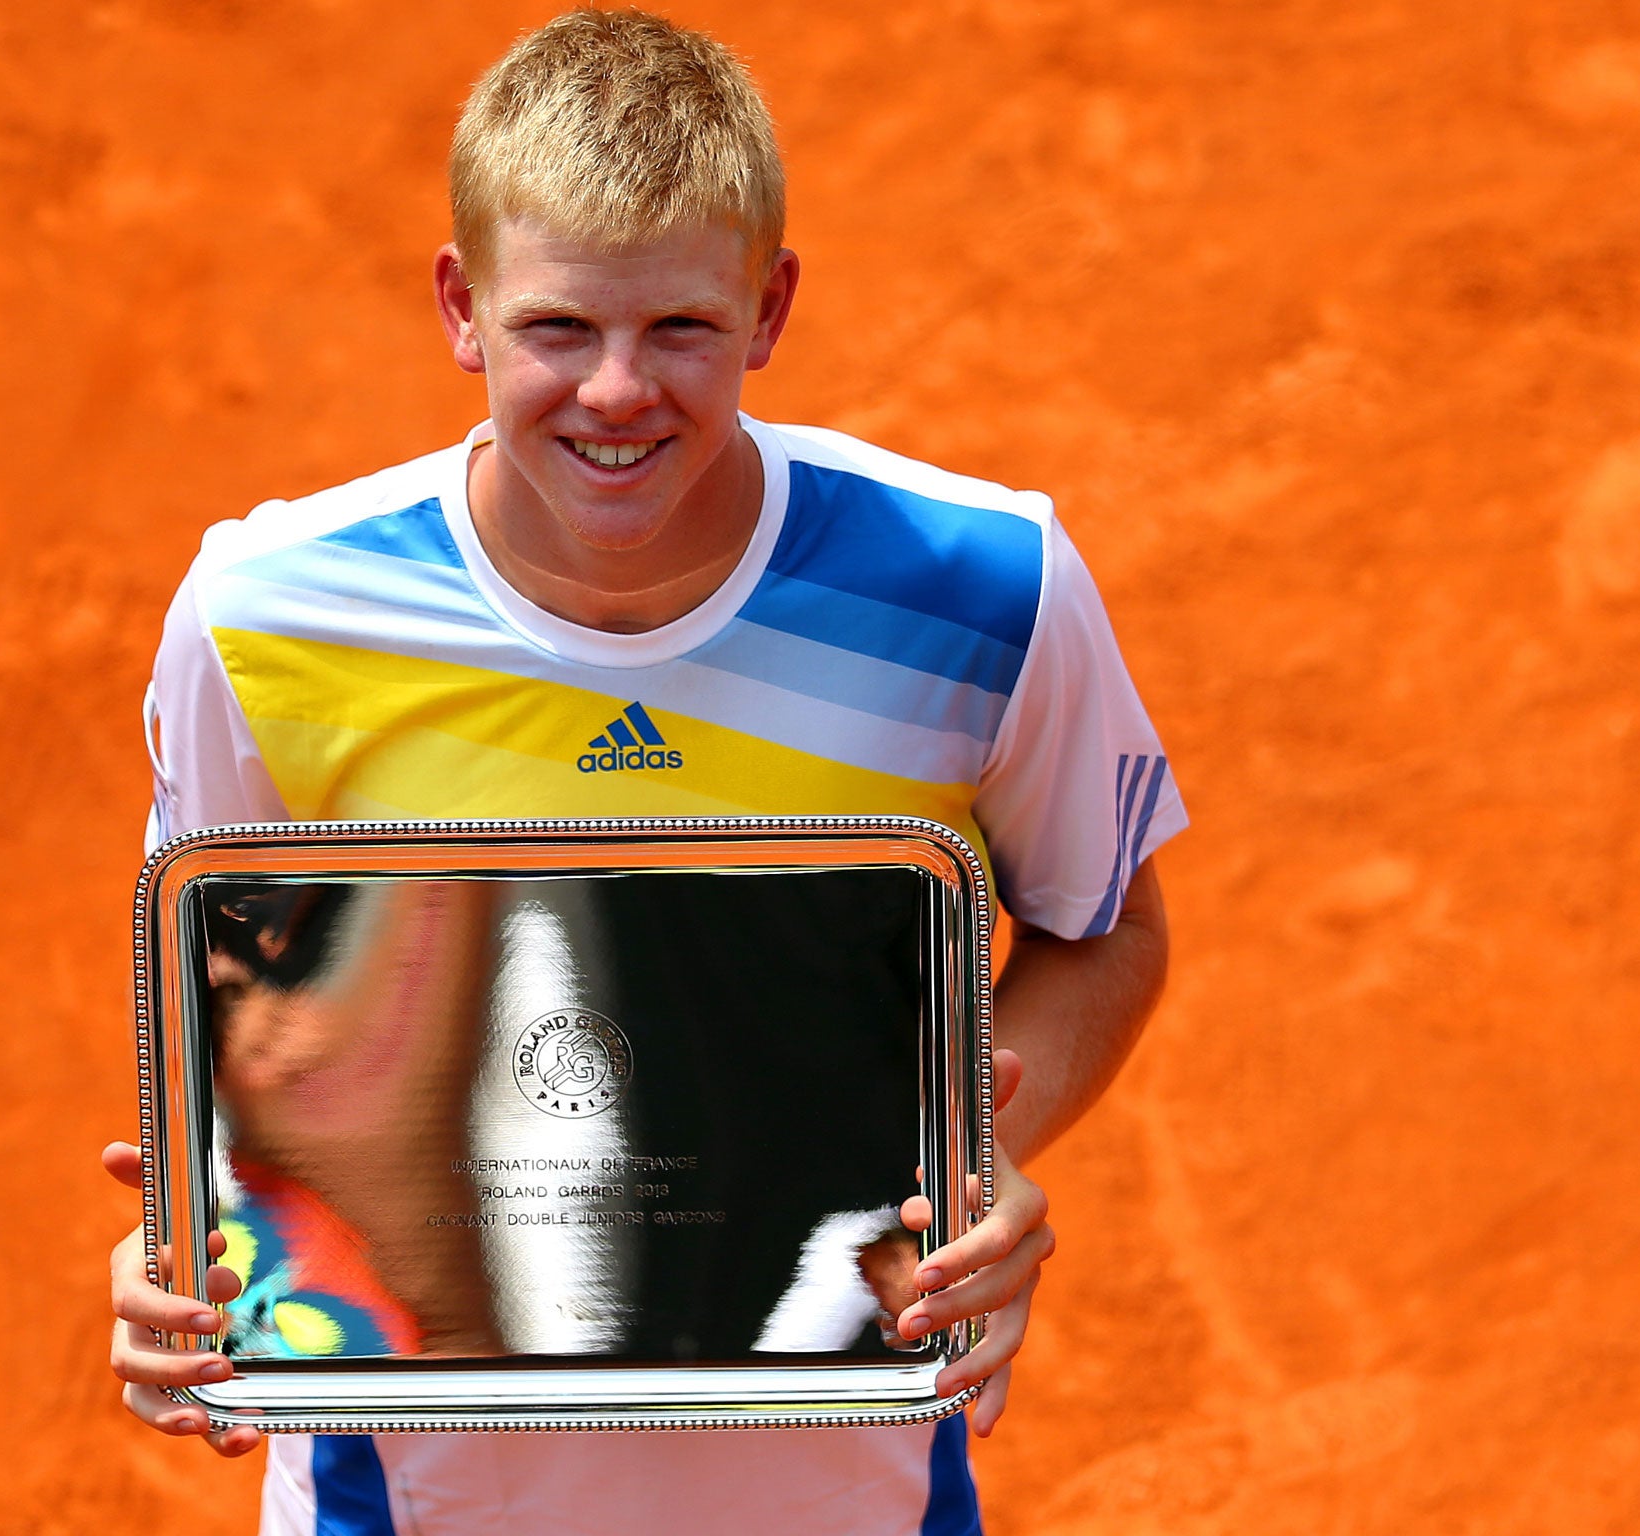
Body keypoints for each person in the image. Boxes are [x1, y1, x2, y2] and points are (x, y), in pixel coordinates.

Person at [104, 10, 1184, 1533]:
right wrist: (194, 1244)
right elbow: (236, 1006)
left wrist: (971, 1164)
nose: (617, 391)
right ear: (462, 307)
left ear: (771, 307)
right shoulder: (267, 619)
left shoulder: (983, 589)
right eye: (558, 327)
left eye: (680, 326)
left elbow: (1106, 921)